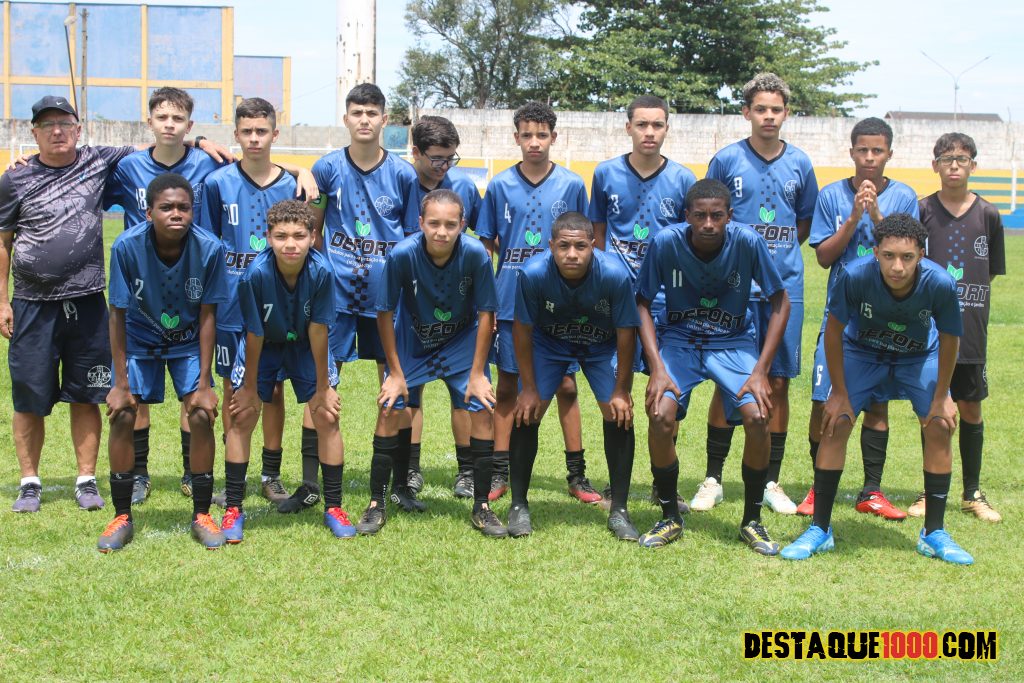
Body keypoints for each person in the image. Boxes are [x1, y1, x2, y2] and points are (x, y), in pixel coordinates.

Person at [781, 213, 973, 565]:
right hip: (862, 352)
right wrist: (839, 394)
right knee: (836, 421)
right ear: (875, 253)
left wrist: (941, 397)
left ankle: (933, 533)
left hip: (918, 356)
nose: (897, 266)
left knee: (940, 425)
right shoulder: (855, 275)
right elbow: (833, 332)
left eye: (907, 257)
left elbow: (950, 340)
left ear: (922, 255)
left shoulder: (940, 283)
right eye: (888, 256)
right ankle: (820, 529)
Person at [636, 179, 790, 555]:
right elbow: (641, 302)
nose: (708, 223)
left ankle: (752, 520)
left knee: (758, 416)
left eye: (717, 216)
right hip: (679, 342)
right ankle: (670, 515)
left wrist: (761, 371)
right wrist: (657, 367)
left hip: (732, 343)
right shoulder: (666, 242)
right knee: (660, 414)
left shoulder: (748, 242)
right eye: (700, 215)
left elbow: (780, 301)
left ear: (729, 216)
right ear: (686, 215)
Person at [0, 96, 137, 514]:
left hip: (87, 302)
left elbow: (160, 151)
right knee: (29, 397)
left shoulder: (98, 161)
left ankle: (86, 479)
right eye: (47, 125)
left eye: (64, 123)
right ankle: (29, 482)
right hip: (31, 304)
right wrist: (2, 301)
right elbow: (3, 242)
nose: (57, 131)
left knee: (87, 394)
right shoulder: (14, 179)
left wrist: (201, 142)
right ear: (34, 133)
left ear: (78, 129)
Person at [698, 73, 818, 515]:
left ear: (786, 113)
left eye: (776, 109)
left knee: (779, 380)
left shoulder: (800, 163)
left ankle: (770, 480)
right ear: (746, 112)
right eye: (761, 109)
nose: (769, 116)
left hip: (783, 286)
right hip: (732, 287)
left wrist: (772, 259)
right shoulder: (727, 160)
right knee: (728, 380)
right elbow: (707, 215)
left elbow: (803, 222)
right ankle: (713, 478)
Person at [363, 189, 506, 537]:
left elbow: (487, 313)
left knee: (482, 409)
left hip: (461, 342)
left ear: (463, 224)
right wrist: (395, 373)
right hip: (413, 341)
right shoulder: (402, 254)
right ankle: (377, 502)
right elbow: (383, 313)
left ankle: (482, 507)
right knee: (390, 407)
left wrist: (477, 373)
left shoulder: (475, 254)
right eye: (434, 223)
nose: (441, 232)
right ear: (420, 223)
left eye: (450, 224)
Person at [476, 101, 599, 506]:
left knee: (566, 384)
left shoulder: (571, 184)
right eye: (526, 135)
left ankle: (577, 474)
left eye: (541, 135)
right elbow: (487, 245)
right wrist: (490, 303)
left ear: (553, 138)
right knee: (508, 384)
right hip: (511, 301)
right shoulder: (499, 185)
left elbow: (583, 244)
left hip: (561, 302)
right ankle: (500, 469)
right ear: (516, 138)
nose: (534, 142)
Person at [97, 173, 228, 551]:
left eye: (184, 207)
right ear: (148, 211)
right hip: (140, 340)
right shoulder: (126, 246)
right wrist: (120, 384)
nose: (176, 214)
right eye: (166, 207)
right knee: (123, 414)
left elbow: (208, 315)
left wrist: (204, 384)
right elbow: (117, 313)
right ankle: (122, 515)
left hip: (187, 342)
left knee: (201, 414)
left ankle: (202, 513)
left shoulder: (209, 248)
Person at [103, 87, 221, 505]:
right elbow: (88, 182)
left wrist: (298, 171)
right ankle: (137, 474)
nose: (169, 125)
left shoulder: (207, 162)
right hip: (142, 291)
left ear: (189, 124)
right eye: (162, 117)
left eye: (178, 118)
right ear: (149, 121)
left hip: (189, 282)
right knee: (135, 398)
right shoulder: (128, 166)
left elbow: (251, 167)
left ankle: (193, 473)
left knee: (196, 400)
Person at [801, 117, 920, 520]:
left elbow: (905, 249)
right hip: (841, 315)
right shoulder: (831, 195)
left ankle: (872, 490)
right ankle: (819, 488)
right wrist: (854, 216)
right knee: (824, 401)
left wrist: (877, 213)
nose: (870, 157)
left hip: (885, 317)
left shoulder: (904, 196)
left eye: (877, 150)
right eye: (863, 150)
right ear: (851, 152)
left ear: (889, 154)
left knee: (877, 404)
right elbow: (823, 257)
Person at [310, 83, 421, 511]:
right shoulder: (327, 169)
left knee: (394, 388)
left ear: (384, 120)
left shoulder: (403, 175)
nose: (364, 120)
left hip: (385, 300)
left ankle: (398, 484)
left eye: (372, 113)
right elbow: (313, 231)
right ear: (346, 118)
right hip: (335, 298)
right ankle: (311, 484)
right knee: (321, 386)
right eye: (356, 112)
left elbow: (410, 240)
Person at [589, 94, 697, 509]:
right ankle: (617, 483)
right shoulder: (605, 174)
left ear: (667, 128)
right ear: (628, 127)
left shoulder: (683, 179)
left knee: (665, 395)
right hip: (617, 304)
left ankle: (661, 483)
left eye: (657, 125)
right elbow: (598, 233)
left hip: (667, 304)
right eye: (642, 125)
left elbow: (688, 241)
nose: (649, 132)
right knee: (617, 394)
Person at [222, 199, 352, 542]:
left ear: (313, 237)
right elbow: (254, 333)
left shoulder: (322, 272)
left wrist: (323, 388)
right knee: (242, 416)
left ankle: (334, 507)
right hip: (265, 344)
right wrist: (249, 389)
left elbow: (319, 330)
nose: (290, 244)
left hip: (305, 344)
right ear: (268, 237)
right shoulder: (255, 275)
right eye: (281, 236)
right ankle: (233, 508)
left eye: (299, 236)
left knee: (327, 417)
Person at [508, 212, 639, 540]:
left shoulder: (614, 275)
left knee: (619, 413)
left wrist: (622, 390)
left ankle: (620, 509)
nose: (572, 254)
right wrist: (528, 388)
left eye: (580, 246)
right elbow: (522, 331)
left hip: (601, 345)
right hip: (550, 344)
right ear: (551, 245)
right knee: (527, 411)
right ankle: (518, 505)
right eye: (564, 246)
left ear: (593, 245)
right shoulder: (532, 274)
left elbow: (627, 334)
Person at [204, 97, 302, 509]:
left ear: (275, 133)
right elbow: (207, 244)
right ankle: (236, 475)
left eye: (262, 131)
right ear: (236, 134)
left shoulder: (292, 186)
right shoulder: (217, 184)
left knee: (273, 389)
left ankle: (271, 474)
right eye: (247, 132)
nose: (255, 138)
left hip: (278, 307)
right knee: (234, 388)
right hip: (231, 305)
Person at [908, 133, 1005, 523]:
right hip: (929, 332)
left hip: (971, 330)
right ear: (934, 165)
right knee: (932, 410)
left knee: (970, 408)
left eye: (961, 159)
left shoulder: (989, 215)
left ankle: (972, 492)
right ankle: (929, 491)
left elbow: (989, 273)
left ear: (973, 166)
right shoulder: (922, 211)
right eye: (946, 158)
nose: (954, 165)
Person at [406, 115, 482, 499]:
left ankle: (467, 471)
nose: (444, 166)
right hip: (411, 307)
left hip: (458, 306)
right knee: (410, 391)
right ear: (416, 152)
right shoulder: (402, 183)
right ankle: (410, 468)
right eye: (436, 158)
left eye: (450, 158)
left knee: (462, 392)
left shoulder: (463, 186)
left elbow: (484, 240)